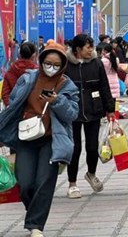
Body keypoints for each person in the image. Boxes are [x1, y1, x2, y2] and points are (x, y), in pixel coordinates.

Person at [0, 41, 79, 237]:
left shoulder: (67, 85)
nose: (51, 68)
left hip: (51, 139)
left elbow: (72, 114)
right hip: (26, 137)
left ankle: (36, 226)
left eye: (56, 65)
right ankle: (34, 213)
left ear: (62, 66)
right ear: (41, 61)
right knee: (25, 183)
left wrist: (57, 101)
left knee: (44, 181)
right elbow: (13, 104)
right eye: (48, 63)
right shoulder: (28, 79)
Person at [65, 34, 115, 199]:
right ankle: (72, 184)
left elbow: (104, 86)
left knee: (92, 147)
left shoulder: (96, 63)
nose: (91, 51)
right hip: (72, 112)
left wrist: (110, 109)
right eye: (88, 48)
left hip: (94, 110)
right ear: (78, 49)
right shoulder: (66, 65)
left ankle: (91, 174)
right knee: (75, 148)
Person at [2, 42, 37, 106]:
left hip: (13, 106)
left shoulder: (11, 69)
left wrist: (10, 106)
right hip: (30, 109)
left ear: (20, 54)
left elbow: (5, 92)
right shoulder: (36, 71)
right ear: (33, 55)